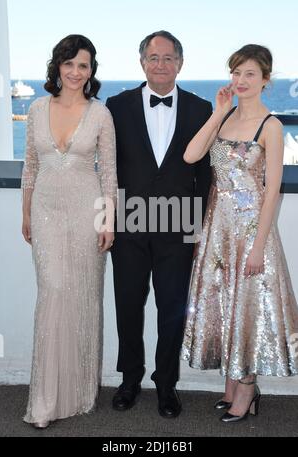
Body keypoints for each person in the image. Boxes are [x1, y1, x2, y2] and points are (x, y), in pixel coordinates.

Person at [181, 44, 298, 422]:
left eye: (250, 74)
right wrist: (216, 113)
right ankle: (233, 382)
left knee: (247, 309)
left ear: (266, 80)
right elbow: (191, 155)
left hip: (250, 232)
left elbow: (273, 191)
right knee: (224, 306)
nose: (241, 80)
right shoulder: (226, 117)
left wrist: (258, 247)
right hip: (218, 228)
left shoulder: (272, 126)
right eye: (236, 73)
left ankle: (247, 388)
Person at [106, 31, 212, 418]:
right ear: (142, 63)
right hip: (128, 223)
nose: (161, 64)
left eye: (168, 58)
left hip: (178, 225)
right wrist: (108, 222)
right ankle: (130, 380)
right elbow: (107, 170)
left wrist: (196, 229)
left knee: (172, 309)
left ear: (180, 64)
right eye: (154, 58)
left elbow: (207, 176)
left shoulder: (201, 110)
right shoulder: (115, 106)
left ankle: (166, 384)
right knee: (128, 307)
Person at [21, 35, 117, 428]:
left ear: (91, 71)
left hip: (86, 211)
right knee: (53, 294)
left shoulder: (100, 114)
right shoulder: (36, 108)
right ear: (57, 66)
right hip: (44, 212)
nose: (77, 72)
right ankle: (45, 400)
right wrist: (25, 214)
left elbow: (109, 172)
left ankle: (78, 392)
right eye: (70, 64)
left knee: (83, 298)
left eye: (85, 65)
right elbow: (30, 166)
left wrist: (107, 220)